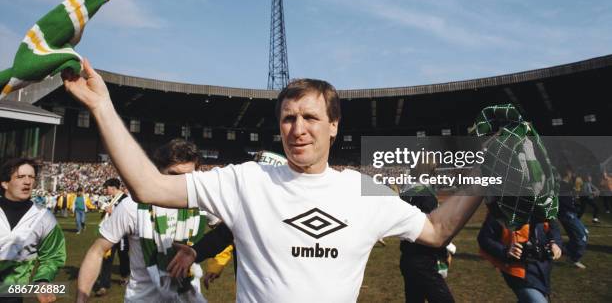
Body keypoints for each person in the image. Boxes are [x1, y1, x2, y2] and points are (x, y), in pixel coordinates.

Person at [64, 60, 485, 302]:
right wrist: (102, 106)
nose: (298, 128)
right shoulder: (246, 181)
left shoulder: (365, 191)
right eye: (288, 118)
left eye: (311, 117)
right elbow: (149, 188)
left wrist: (492, 174)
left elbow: (435, 230)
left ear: (334, 125)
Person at [76, 139, 223, 302]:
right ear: (159, 171)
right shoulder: (132, 205)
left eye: (188, 176)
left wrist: (218, 263)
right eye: (174, 174)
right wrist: (81, 299)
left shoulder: (201, 201)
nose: (181, 182)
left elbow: (227, 232)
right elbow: (97, 251)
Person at [0, 158, 66, 303]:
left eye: (31, 177)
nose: (27, 181)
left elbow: (53, 256)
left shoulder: (44, 217)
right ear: (5, 183)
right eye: (20, 177)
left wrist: (42, 280)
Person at [478, 207, 562, 303]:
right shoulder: (501, 205)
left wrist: (555, 243)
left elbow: (553, 228)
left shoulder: (544, 202)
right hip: (517, 269)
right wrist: (506, 251)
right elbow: (484, 238)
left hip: (542, 266)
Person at [399, 162, 455, 303]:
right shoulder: (426, 196)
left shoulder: (407, 193)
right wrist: (444, 253)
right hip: (423, 259)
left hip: (408, 256)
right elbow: (429, 230)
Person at [92, 178, 130, 296]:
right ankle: (104, 285)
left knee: (123, 256)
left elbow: (127, 215)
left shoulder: (125, 199)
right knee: (107, 258)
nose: (105, 190)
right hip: (110, 234)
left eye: (107, 188)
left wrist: (111, 211)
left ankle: (125, 276)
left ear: (113, 187)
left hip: (122, 235)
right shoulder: (112, 199)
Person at [558, 169, 588, 269]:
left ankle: (565, 251)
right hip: (567, 215)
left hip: (570, 214)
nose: (574, 175)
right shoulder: (563, 185)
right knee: (581, 237)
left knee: (582, 235)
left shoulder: (566, 186)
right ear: (568, 173)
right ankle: (574, 259)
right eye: (572, 172)